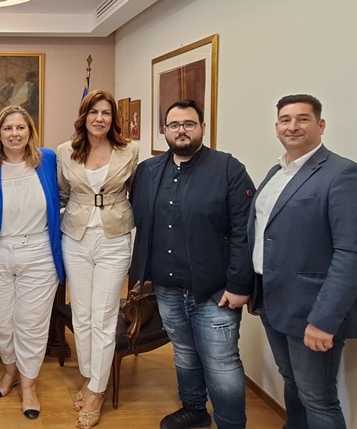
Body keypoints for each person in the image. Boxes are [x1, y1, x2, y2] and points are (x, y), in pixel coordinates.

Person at [250, 94, 357, 429]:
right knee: (292, 382)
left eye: (302, 119)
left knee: (318, 398)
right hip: (274, 302)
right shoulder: (277, 172)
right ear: (276, 127)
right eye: (285, 120)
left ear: (320, 125)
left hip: (312, 310)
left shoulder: (345, 175)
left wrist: (324, 320)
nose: (293, 126)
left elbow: (355, 255)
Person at [130, 99, 254, 429]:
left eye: (189, 123)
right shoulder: (149, 171)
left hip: (215, 291)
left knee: (222, 362)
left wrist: (239, 285)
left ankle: (231, 424)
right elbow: (141, 222)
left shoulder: (228, 169)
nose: (181, 130)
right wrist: (140, 273)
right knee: (184, 352)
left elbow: (244, 231)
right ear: (164, 130)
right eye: (174, 125)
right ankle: (194, 409)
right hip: (167, 288)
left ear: (202, 127)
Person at [0, 105, 63, 420]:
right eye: (8, 128)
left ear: (30, 131)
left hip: (39, 253)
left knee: (32, 325)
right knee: (0, 322)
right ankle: (10, 371)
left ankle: (28, 385)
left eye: (21, 127)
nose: (15, 134)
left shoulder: (47, 160)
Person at [55, 89, 139, 429]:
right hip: (75, 238)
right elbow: (63, 193)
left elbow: (136, 192)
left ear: (113, 119)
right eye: (94, 112)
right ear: (84, 116)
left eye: (106, 113)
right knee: (82, 314)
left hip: (114, 238)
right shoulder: (65, 151)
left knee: (104, 317)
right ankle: (91, 377)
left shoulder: (130, 151)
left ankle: (97, 392)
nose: (100, 118)